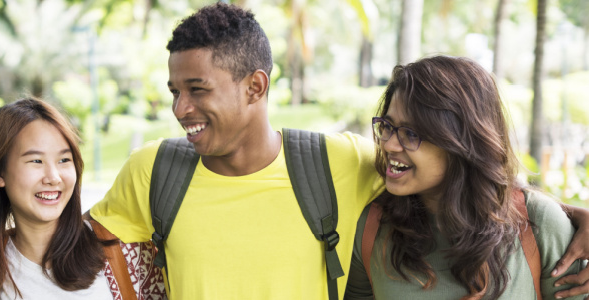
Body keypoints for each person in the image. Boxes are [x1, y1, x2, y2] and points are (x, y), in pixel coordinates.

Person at [86, 3, 589, 299]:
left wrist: (565, 215)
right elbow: (73, 245)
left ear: (255, 87)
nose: (180, 108)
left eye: (197, 89)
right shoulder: (153, 170)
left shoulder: (336, 163)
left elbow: (470, 175)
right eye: (174, 91)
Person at [343, 56, 585, 299]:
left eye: (411, 133)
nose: (389, 144)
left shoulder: (540, 225)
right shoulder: (371, 228)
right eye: (387, 125)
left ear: (461, 144)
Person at [0, 98, 165, 300]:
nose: (53, 177)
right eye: (36, 161)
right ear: (0, 173)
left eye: (64, 160)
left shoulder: (125, 255)